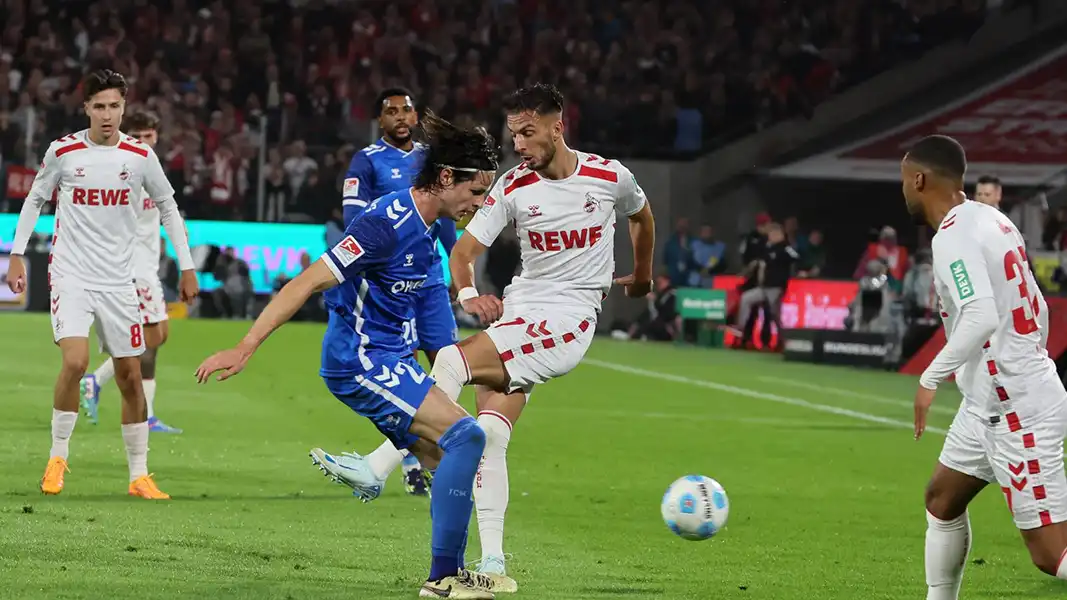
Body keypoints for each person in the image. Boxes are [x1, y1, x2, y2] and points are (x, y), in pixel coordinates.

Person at [311, 83, 656, 593]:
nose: (518, 142)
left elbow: (641, 216)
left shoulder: (609, 175)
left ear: (557, 126)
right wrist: (469, 292)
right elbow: (463, 251)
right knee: (491, 436)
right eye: (513, 132)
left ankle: (378, 465)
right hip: (520, 313)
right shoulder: (513, 185)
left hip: (568, 320)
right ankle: (492, 563)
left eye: (528, 131)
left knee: (450, 358)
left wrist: (643, 276)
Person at [194, 112, 498, 599]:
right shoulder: (384, 223)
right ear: (445, 178)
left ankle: (450, 575)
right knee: (466, 436)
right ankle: (444, 578)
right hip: (359, 360)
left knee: (446, 452)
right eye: (475, 192)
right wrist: (246, 345)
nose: (478, 204)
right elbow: (307, 280)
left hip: (390, 357)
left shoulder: (428, 230)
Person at [5, 69, 197, 499]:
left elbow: (168, 207)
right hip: (71, 274)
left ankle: (139, 475)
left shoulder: (139, 157)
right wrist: (16, 254)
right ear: (86, 108)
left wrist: (186, 266)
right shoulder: (65, 151)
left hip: (119, 281)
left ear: (123, 107)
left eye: (114, 106)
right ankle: (57, 459)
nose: (107, 115)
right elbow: (35, 198)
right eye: (99, 107)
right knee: (74, 362)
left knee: (130, 376)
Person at [904, 135, 1067, 599]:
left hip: (1016, 407)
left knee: (1052, 555)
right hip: (989, 402)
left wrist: (930, 377)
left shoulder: (952, 235)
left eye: (904, 182)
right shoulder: (992, 219)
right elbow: (1035, 303)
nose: (904, 192)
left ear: (918, 180)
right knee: (942, 499)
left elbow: (980, 315)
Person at [325, 87, 458, 496]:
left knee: (448, 359)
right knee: (403, 360)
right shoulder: (366, 160)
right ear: (380, 120)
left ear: (416, 116)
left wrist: (459, 269)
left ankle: (442, 440)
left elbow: (449, 217)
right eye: (391, 111)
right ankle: (414, 459)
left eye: (406, 110)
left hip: (430, 276)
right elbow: (353, 217)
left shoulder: (429, 159)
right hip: (389, 276)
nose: (400, 117)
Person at [81, 111, 183, 433]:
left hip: (147, 266)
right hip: (130, 269)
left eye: (148, 136)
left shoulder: (152, 170)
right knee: (148, 338)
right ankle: (95, 382)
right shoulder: (122, 170)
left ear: (156, 137)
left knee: (157, 338)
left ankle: (146, 412)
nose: (142, 141)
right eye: (136, 136)